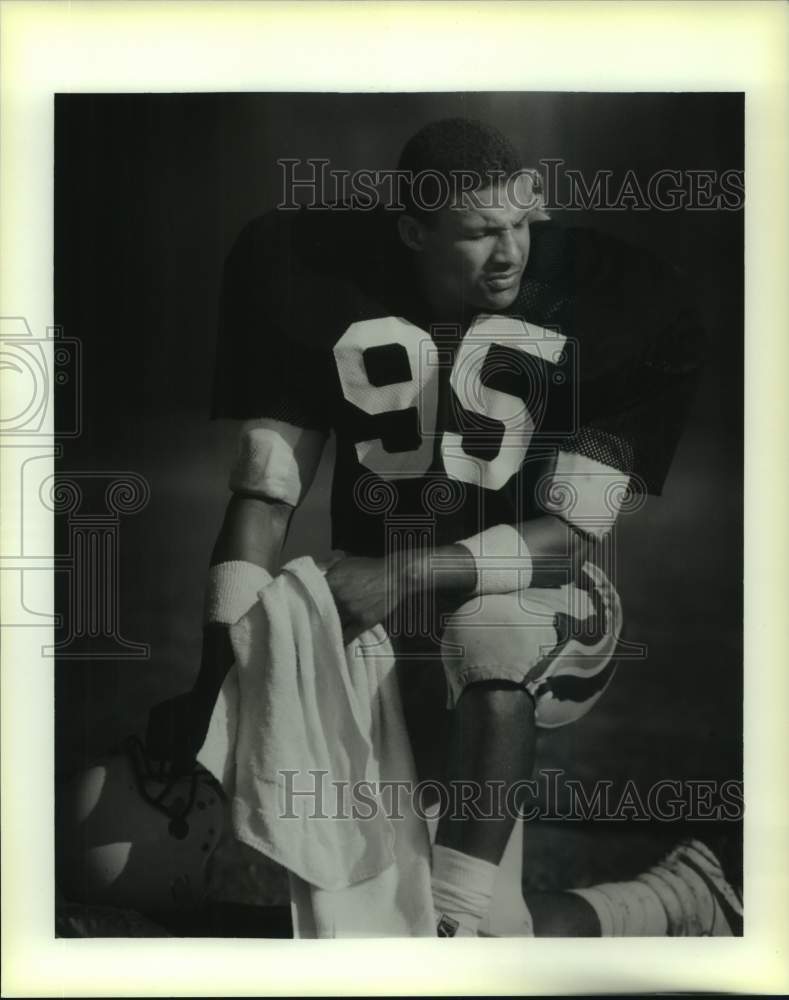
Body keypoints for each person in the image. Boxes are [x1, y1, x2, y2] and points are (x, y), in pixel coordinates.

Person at [146, 117, 735, 937]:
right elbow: (263, 502)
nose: (509, 254)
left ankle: (452, 926)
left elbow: (571, 536)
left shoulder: (614, 296)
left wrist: (407, 572)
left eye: (520, 225)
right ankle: (676, 900)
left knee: (487, 631)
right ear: (413, 230)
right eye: (477, 233)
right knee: (388, 922)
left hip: (545, 600)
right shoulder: (309, 280)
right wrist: (214, 677)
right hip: (386, 614)